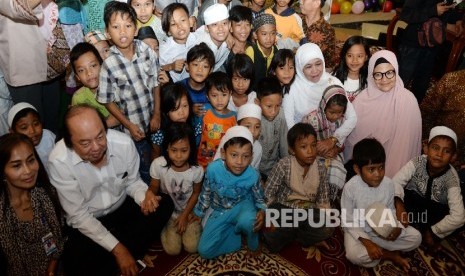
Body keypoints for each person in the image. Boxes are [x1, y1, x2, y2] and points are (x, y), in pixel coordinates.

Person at [47, 105, 174, 276]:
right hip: (88, 220)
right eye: (85, 143)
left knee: (163, 204)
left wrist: (144, 196)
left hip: (121, 208)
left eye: (100, 136)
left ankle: (113, 254)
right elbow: (78, 216)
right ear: (69, 143)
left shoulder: (123, 144)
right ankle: (122, 251)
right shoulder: (59, 161)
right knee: (74, 263)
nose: (96, 147)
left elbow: (132, 182)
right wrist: (119, 250)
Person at [97, 1, 161, 184]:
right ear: (108, 33)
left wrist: (156, 114)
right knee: (142, 169)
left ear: (135, 29)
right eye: (116, 27)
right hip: (132, 130)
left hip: (153, 122)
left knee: (158, 163)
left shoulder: (146, 51)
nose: (122, 32)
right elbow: (107, 101)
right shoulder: (108, 65)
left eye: (127, 26)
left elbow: (156, 83)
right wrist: (129, 125)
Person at [342, 138, 422, 272]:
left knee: (416, 238)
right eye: (371, 169)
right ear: (357, 169)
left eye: (381, 167)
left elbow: (390, 211)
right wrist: (367, 243)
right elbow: (348, 220)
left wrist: (395, 228)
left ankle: (378, 248)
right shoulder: (350, 188)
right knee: (353, 255)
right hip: (359, 231)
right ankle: (389, 255)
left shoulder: (389, 184)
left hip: (381, 231)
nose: (378, 174)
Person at [344, 50, 422, 178]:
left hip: (397, 170)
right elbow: (351, 140)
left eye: (389, 73)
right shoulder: (362, 100)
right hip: (364, 165)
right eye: (378, 74)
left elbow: (407, 147)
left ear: (396, 71)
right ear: (371, 75)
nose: (384, 79)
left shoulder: (408, 101)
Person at [194, 126, 266, 259]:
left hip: (243, 207)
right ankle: (236, 237)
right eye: (234, 155)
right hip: (220, 210)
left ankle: (253, 241)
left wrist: (262, 212)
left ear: (251, 157)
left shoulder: (253, 175)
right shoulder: (212, 169)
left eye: (245, 156)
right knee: (204, 251)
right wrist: (199, 212)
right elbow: (206, 193)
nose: (239, 162)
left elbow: (260, 199)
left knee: (250, 221)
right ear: (223, 153)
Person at [0, 133, 65, 276]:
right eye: (17, 165)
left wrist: (52, 269)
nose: (28, 171)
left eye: (30, 160)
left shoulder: (47, 194)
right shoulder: (2, 214)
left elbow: (59, 236)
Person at [393, 126, 465, 253]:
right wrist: (399, 206)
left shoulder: (452, 178)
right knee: (388, 202)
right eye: (435, 148)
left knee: (459, 218)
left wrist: (433, 231)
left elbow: (458, 216)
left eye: (446, 151)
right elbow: (396, 182)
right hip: (413, 203)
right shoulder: (417, 162)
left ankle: (428, 234)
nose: (439, 154)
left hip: (435, 213)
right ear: (426, 148)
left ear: (453, 157)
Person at [263, 123, 333, 252]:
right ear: (292, 150)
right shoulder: (283, 165)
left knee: (328, 227)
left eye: (313, 145)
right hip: (284, 207)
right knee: (272, 232)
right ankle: (295, 233)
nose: (310, 151)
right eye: (303, 147)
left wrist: (326, 219)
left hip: (307, 210)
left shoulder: (320, 167)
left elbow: (323, 199)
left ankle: (294, 234)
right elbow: (268, 194)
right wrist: (266, 215)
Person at [283, 43, 356, 156]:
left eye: (318, 64)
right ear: (300, 67)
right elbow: (289, 124)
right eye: (308, 66)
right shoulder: (292, 88)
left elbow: (352, 118)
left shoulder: (333, 83)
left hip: (331, 147)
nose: (315, 71)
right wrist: (309, 148)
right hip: (301, 147)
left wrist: (333, 140)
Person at [0, 0, 62, 134]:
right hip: (24, 69)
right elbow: (17, 8)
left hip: (50, 63)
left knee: (52, 126)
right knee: (31, 131)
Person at [150, 123, 203, 255]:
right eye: (174, 150)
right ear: (167, 148)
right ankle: (165, 227)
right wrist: (148, 194)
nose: (179, 156)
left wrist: (185, 215)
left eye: (184, 150)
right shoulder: (158, 165)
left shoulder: (196, 170)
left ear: (191, 149)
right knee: (172, 250)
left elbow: (196, 193)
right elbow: (153, 187)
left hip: (188, 212)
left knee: (192, 247)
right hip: (169, 213)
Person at [398, 0, 463, 103]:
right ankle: (391, 112)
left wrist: (458, 20)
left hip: (432, 46)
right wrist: (433, 11)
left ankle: (412, 112)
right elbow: (405, 14)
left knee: (421, 85)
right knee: (401, 82)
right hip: (412, 46)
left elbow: (448, 11)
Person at [302, 85, 349, 200]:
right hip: (313, 154)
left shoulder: (343, 120)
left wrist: (335, 150)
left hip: (334, 154)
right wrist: (319, 152)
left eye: (339, 113)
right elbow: (304, 143)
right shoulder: (311, 119)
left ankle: (331, 198)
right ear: (324, 106)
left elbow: (343, 143)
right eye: (332, 112)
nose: (335, 116)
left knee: (337, 170)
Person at [420, 69, 465, 166]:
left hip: (460, 163)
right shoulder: (452, 80)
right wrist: (425, 142)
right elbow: (427, 111)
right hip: (434, 152)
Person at [70, 42, 120, 128]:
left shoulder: (116, 86)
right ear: (77, 77)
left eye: (93, 66)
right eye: (81, 70)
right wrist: (107, 123)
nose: (89, 73)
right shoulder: (78, 98)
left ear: (102, 65)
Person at [197, 72, 237, 169]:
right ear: (207, 96)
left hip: (222, 166)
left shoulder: (234, 117)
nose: (219, 100)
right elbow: (196, 134)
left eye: (224, 95)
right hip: (201, 162)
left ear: (230, 94)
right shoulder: (204, 110)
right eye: (214, 95)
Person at [178, 43, 215, 145]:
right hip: (182, 140)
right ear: (187, 66)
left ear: (211, 70)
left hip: (207, 140)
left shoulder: (214, 92)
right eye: (195, 64)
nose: (200, 70)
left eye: (205, 66)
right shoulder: (179, 88)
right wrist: (189, 109)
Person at [256, 77, 288, 180]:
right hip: (255, 169)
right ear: (257, 102)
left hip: (274, 169)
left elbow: (284, 146)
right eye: (269, 106)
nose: (274, 111)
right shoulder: (252, 118)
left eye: (278, 105)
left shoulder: (281, 115)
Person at [151, 83, 192, 158]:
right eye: (175, 109)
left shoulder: (193, 123)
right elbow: (155, 154)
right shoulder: (159, 132)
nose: (182, 113)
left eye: (185, 106)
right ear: (166, 112)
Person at [159, 3, 197, 82]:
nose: (179, 26)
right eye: (173, 24)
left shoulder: (196, 38)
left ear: (190, 21)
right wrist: (171, 66)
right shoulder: (165, 49)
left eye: (183, 20)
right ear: (168, 31)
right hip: (176, 86)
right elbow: (160, 68)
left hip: (195, 82)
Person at [299, 0, 337, 70]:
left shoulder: (327, 30)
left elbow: (329, 65)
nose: (300, 2)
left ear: (317, 3)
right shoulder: (294, 19)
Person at [332, 36, 370, 102]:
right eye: (350, 55)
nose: (354, 60)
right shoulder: (335, 76)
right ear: (344, 56)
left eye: (359, 56)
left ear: (366, 57)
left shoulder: (369, 79)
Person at [246, 13, 278, 90]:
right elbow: (246, 78)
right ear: (255, 35)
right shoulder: (251, 52)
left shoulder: (277, 52)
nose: (269, 38)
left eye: (273, 33)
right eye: (264, 34)